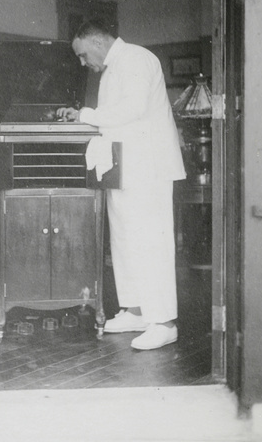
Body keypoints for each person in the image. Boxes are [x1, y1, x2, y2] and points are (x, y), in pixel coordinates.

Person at [57, 20, 186, 350]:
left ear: (97, 43)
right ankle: (137, 311)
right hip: (124, 167)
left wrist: (85, 114)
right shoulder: (113, 68)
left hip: (149, 168)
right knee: (126, 241)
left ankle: (164, 322)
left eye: (84, 55)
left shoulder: (136, 58)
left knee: (150, 243)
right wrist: (85, 115)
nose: (84, 63)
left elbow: (134, 109)